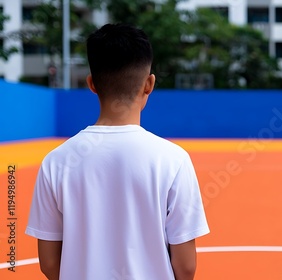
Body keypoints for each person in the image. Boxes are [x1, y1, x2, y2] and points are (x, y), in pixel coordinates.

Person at [25, 23, 209, 280]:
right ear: (149, 84)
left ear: (91, 84)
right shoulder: (174, 160)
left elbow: (48, 262)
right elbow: (186, 266)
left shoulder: (55, 162)